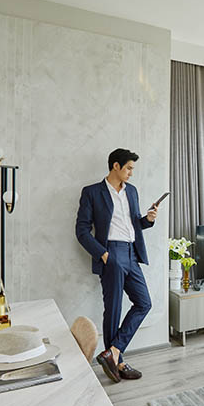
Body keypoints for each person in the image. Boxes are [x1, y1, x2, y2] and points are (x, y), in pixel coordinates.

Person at [75, 148, 158, 382]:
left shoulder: (132, 191)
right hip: (111, 253)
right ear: (116, 166)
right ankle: (118, 363)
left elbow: (133, 224)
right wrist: (103, 254)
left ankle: (113, 352)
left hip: (132, 253)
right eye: (129, 168)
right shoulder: (92, 192)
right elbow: (81, 230)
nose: (131, 172)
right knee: (113, 309)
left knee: (144, 303)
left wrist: (147, 220)